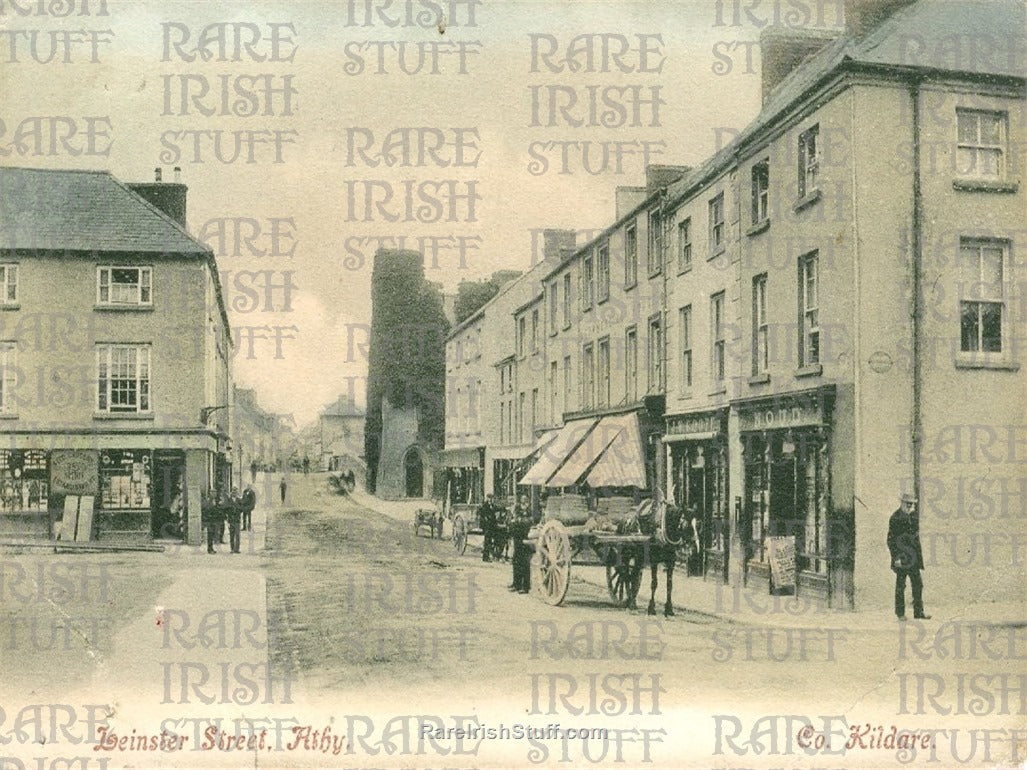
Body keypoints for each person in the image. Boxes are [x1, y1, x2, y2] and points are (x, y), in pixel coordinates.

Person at [888, 492, 930, 620]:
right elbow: (890, 540)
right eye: (907, 504)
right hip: (901, 558)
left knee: (918, 584)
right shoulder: (895, 518)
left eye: (911, 504)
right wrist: (896, 558)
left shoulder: (913, 517)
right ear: (901, 503)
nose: (910, 506)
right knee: (901, 585)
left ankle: (918, 612)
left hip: (913, 558)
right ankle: (900, 614)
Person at [509, 494, 534, 593]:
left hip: (526, 537)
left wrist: (520, 520)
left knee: (525, 563)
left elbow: (531, 521)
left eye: (525, 499)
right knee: (516, 561)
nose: (524, 501)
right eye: (522, 499)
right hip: (517, 538)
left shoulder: (530, 510)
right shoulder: (518, 509)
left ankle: (525, 586)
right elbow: (514, 520)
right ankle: (516, 583)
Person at [200, 490, 222, 555]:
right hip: (209, 520)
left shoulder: (216, 501)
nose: (214, 494)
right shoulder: (208, 501)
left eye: (215, 493)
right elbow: (206, 509)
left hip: (214, 520)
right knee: (210, 535)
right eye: (213, 493)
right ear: (210, 494)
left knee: (212, 535)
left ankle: (211, 548)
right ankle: (209, 549)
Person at [477, 494, 497, 562]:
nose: (490, 499)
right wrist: (487, 519)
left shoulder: (492, 505)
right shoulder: (485, 506)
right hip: (486, 526)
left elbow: (496, 510)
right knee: (487, 541)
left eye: (491, 498)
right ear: (487, 498)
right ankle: (485, 558)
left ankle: (492, 555)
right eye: (489, 498)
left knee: (490, 540)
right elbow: (483, 515)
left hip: (492, 525)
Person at [226, 488, 242, 554]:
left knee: (237, 535)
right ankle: (232, 548)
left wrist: (238, 512)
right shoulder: (228, 500)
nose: (234, 493)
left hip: (237, 520)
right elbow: (226, 509)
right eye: (233, 492)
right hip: (231, 520)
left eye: (235, 492)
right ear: (231, 492)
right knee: (232, 535)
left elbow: (241, 508)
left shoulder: (239, 500)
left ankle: (237, 549)